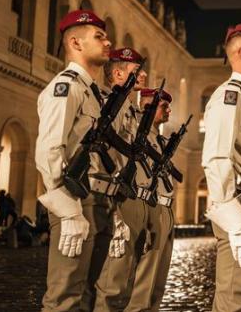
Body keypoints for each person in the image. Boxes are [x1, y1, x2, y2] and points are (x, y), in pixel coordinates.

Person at [34, 9, 115, 311]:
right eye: (99, 37)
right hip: (75, 198)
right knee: (65, 296)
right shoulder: (65, 86)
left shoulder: (90, 91)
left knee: (86, 295)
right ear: (76, 43)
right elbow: (49, 148)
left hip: (94, 199)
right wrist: (67, 210)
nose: (108, 43)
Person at [94, 47, 150, 311]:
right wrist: (117, 212)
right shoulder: (112, 104)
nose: (144, 74)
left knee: (124, 281)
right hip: (110, 196)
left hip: (124, 194)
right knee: (110, 283)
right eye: (137, 71)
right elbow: (109, 155)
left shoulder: (128, 108)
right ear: (118, 73)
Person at [127, 88, 177, 311]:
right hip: (148, 204)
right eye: (163, 106)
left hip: (166, 209)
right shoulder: (137, 135)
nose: (168, 110)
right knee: (142, 282)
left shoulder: (160, 138)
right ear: (146, 106)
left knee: (158, 283)